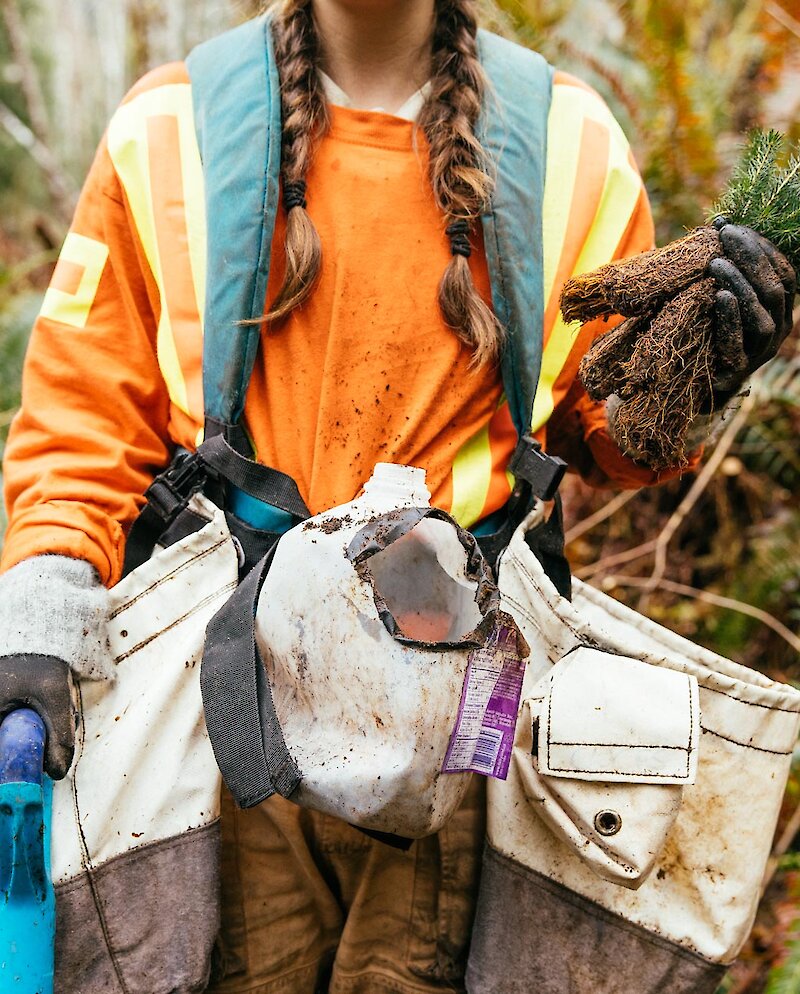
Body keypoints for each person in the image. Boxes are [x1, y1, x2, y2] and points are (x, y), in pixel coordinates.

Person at [0, 1, 794, 992]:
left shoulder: (565, 143)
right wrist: (41, 610)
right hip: (233, 705)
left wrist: (700, 367)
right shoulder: (172, 130)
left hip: (464, 712)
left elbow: (610, 434)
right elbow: (83, 424)